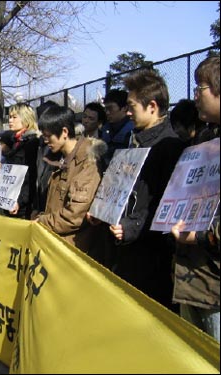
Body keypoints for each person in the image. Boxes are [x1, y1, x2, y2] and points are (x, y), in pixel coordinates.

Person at [98, 69, 185, 311]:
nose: (128, 112)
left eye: (132, 106)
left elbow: (164, 206)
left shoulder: (169, 147)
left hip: (151, 258)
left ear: (152, 106)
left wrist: (131, 227)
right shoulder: (134, 142)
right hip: (126, 250)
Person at [170, 55, 220, 342]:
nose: (195, 96)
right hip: (192, 278)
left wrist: (200, 238)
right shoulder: (203, 139)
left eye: (200, 87)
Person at [35, 106, 107, 255]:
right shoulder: (58, 158)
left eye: (49, 136)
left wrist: (42, 221)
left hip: (74, 249)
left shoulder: (88, 162)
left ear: (65, 132)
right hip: (56, 244)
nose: (45, 140)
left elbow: (75, 215)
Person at [3, 102, 40, 219]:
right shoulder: (17, 142)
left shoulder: (32, 143)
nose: (10, 121)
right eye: (9, 117)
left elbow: (31, 178)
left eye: (14, 117)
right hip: (11, 201)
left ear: (26, 118)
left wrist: (20, 201)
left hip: (22, 207)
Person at [100, 89, 135, 167]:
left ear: (124, 108)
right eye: (105, 109)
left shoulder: (133, 132)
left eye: (110, 108)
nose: (107, 112)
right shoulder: (104, 130)